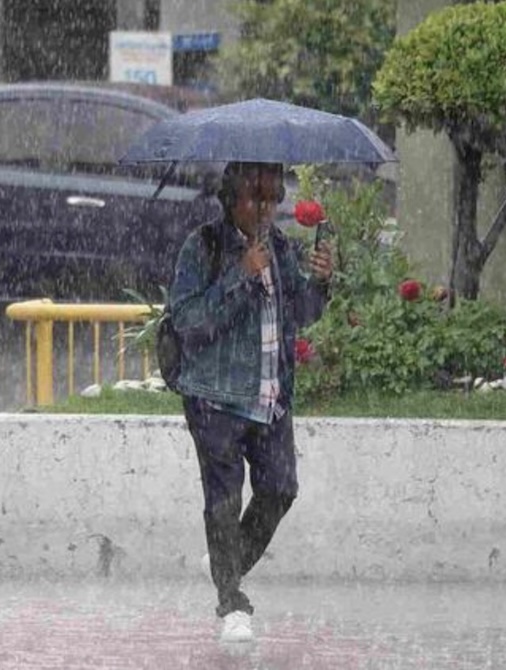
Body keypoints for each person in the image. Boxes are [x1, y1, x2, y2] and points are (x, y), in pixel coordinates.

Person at [168, 161, 334, 642]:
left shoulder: (279, 247)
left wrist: (320, 281)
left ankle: (227, 562)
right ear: (230, 199)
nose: (265, 208)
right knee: (223, 503)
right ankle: (231, 603)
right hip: (215, 400)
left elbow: (302, 313)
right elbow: (188, 322)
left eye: (272, 198)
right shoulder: (202, 247)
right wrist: (241, 275)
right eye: (254, 197)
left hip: (270, 398)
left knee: (280, 489)